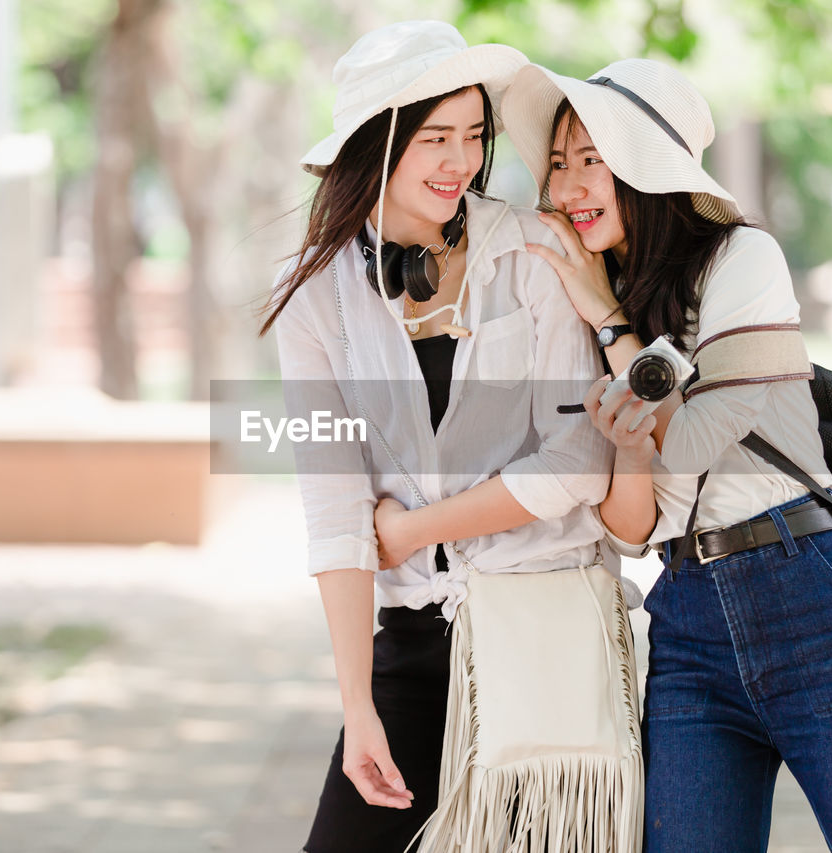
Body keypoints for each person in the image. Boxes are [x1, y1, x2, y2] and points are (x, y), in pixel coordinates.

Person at [502, 58, 832, 851]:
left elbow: (689, 442)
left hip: (809, 593)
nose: (568, 186)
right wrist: (624, 439)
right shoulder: (585, 304)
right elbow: (632, 526)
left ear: (647, 171)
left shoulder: (742, 262)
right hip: (686, 620)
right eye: (556, 164)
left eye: (590, 161)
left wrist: (610, 322)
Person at [263, 22, 643, 853]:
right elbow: (334, 513)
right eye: (435, 137)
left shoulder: (536, 252)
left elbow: (579, 462)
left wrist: (411, 528)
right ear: (376, 144)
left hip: (539, 630)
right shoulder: (317, 302)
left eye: (473, 135)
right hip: (409, 641)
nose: (460, 161)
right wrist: (357, 707)